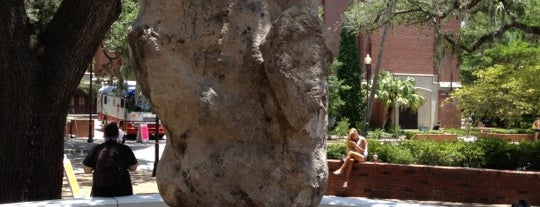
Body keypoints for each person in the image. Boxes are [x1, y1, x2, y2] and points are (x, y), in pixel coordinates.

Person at [83, 123, 138, 197]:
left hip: (100, 191)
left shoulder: (97, 149)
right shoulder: (125, 149)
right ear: (118, 134)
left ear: (104, 134)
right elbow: (133, 168)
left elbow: (87, 170)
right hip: (123, 191)